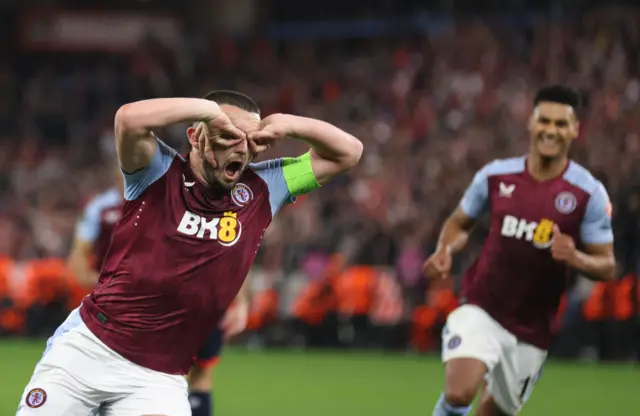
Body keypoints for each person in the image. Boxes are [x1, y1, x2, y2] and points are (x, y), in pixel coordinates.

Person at [17, 90, 363, 415]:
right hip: (88, 350)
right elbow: (129, 119)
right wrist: (207, 111)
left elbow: (348, 152)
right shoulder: (156, 171)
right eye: (227, 135)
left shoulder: (265, 188)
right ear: (196, 136)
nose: (241, 149)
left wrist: (287, 123)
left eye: (249, 140)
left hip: (158, 378)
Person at [423, 85, 615, 416]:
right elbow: (459, 223)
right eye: (544, 121)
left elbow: (607, 265)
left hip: (533, 327)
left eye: (560, 124)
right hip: (483, 306)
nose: (550, 131)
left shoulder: (588, 193)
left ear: (574, 130)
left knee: (493, 412)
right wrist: (445, 250)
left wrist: (575, 257)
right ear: (531, 123)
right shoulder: (496, 175)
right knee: (459, 392)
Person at [66, 164, 234, 416]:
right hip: (117, 308)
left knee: (196, 372)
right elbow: (77, 262)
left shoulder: (172, 198)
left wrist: (237, 299)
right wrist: (109, 287)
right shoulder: (100, 209)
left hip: (176, 304)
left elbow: (226, 251)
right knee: (118, 374)